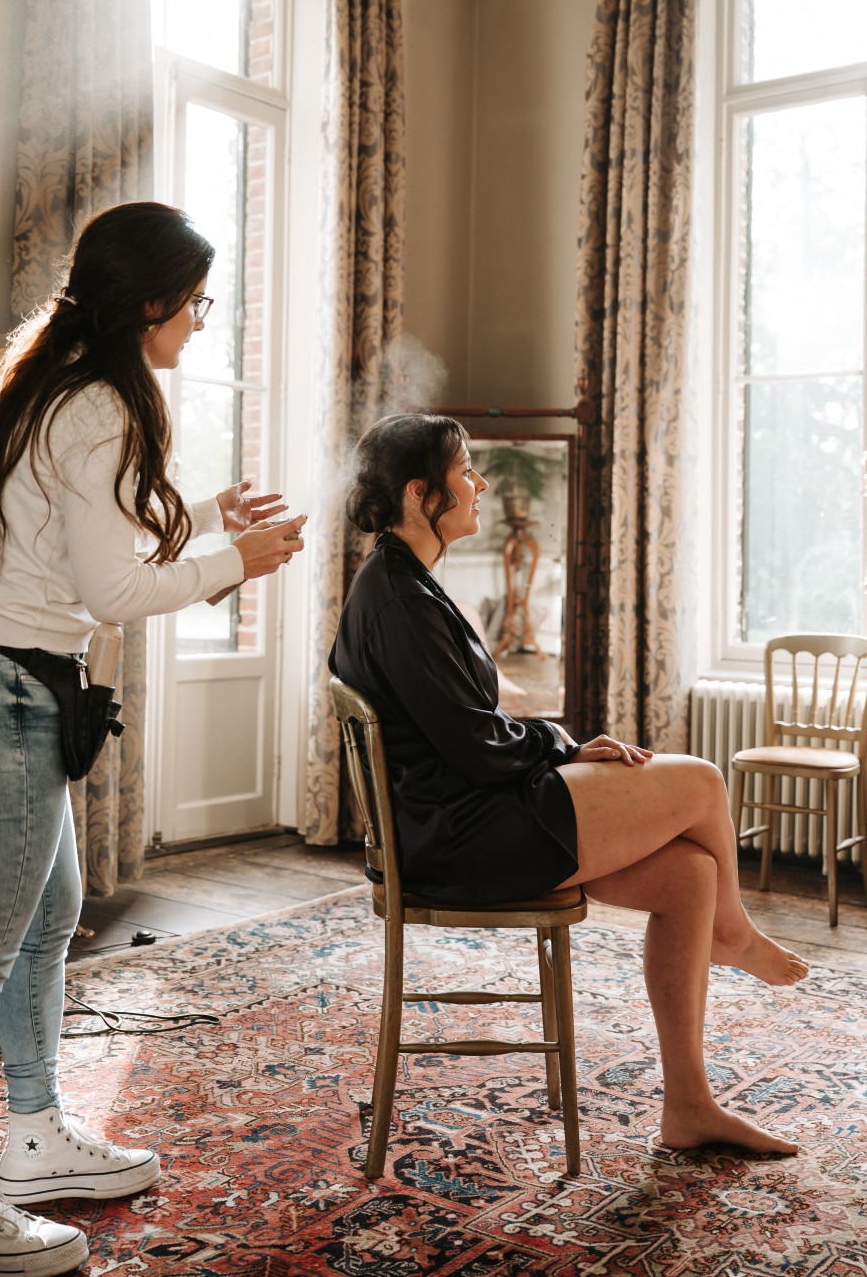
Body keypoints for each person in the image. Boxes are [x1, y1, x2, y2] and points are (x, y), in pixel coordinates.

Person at [0, 201, 306, 1276]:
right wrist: (242, 561)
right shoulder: (102, 408)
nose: (203, 323)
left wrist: (213, 521)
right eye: (198, 302)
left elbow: (80, 539)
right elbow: (117, 588)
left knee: (52, 918)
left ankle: (32, 1139)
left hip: (5, 679)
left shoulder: (69, 384)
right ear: (151, 302)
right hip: (0, 692)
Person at [330, 412, 808, 1161]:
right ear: (422, 494)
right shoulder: (398, 600)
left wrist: (563, 745)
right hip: (462, 836)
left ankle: (689, 1105)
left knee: (691, 875)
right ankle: (735, 931)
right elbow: (479, 747)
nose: (480, 482)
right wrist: (562, 742)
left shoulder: (403, 582)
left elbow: (470, 730)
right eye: (464, 470)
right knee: (704, 782)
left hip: (462, 818)